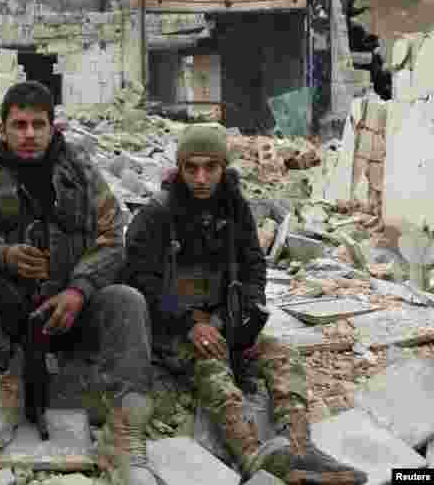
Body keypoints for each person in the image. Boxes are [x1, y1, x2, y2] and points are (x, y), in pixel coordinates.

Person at [0, 81, 159, 485]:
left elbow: (113, 237)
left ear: (53, 127)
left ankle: (124, 433)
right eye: (18, 124)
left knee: (127, 300)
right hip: (9, 310)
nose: (28, 134)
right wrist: (0, 253)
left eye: (38, 124)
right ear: (2, 128)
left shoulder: (82, 171)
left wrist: (79, 289)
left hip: (71, 310)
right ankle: (4, 384)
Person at [124, 124, 367, 484]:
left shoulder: (235, 210)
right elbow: (141, 282)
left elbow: (255, 270)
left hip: (224, 323)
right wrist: (190, 323)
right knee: (212, 368)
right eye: (191, 168)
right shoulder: (157, 215)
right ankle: (253, 455)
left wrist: (240, 318)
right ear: (180, 169)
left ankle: (301, 450)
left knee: (281, 355)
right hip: (175, 331)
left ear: (224, 168)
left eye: (211, 167)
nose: (202, 178)